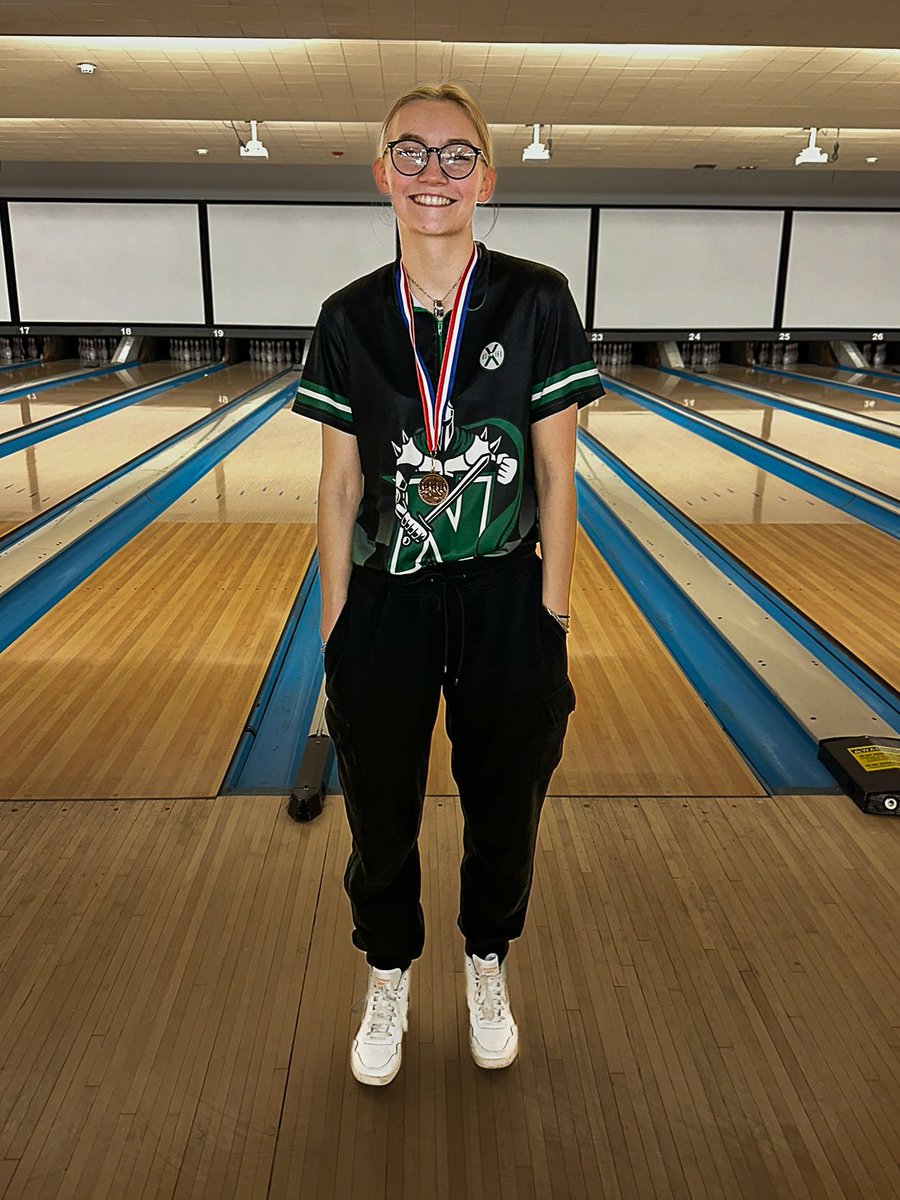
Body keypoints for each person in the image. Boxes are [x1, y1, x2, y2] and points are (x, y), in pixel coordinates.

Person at [292, 83, 603, 1086]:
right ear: (382, 172)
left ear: (487, 176)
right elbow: (340, 487)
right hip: (386, 606)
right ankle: (388, 969)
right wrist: (340, 628)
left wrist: (549, 615)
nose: (436, 173)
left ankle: (485, 960)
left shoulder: (538, 299)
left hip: (506, 602)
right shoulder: (347, 318)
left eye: (457, 154)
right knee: (379, 808)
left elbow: (556, 475)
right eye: (413, 154)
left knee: (506, 805)